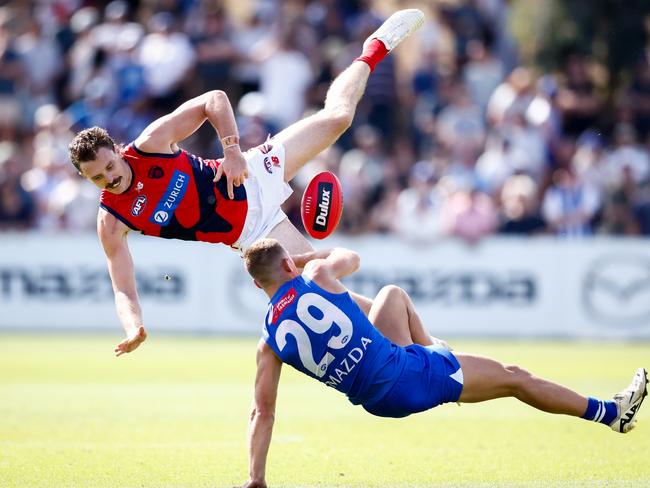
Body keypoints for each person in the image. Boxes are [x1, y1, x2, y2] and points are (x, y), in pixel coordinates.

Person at [66, 10, 426, 356]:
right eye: (98, 177)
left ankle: (375, 47)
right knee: (325, 294)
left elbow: (214, 100)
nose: (110, 178)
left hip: (255, 172)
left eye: (110, 166)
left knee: (338, 118)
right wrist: (133, 326)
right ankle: (424, 344)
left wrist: (233, 151)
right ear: (86, 178)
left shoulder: (150, 145)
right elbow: (123, 288)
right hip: (254, 232)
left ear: (116, 149)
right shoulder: (111, 221)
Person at [241, 238, 648, 488]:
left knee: (387, 304)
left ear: (259, 285)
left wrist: (257, 478)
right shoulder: (315, 274)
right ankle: (612, 413)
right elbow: (351, 255)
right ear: (290, 265)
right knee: (515, 378)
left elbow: (263, 412)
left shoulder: (268, 340)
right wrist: (308, 255)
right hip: (408, 376)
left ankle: (433, 351)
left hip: (377, 401)